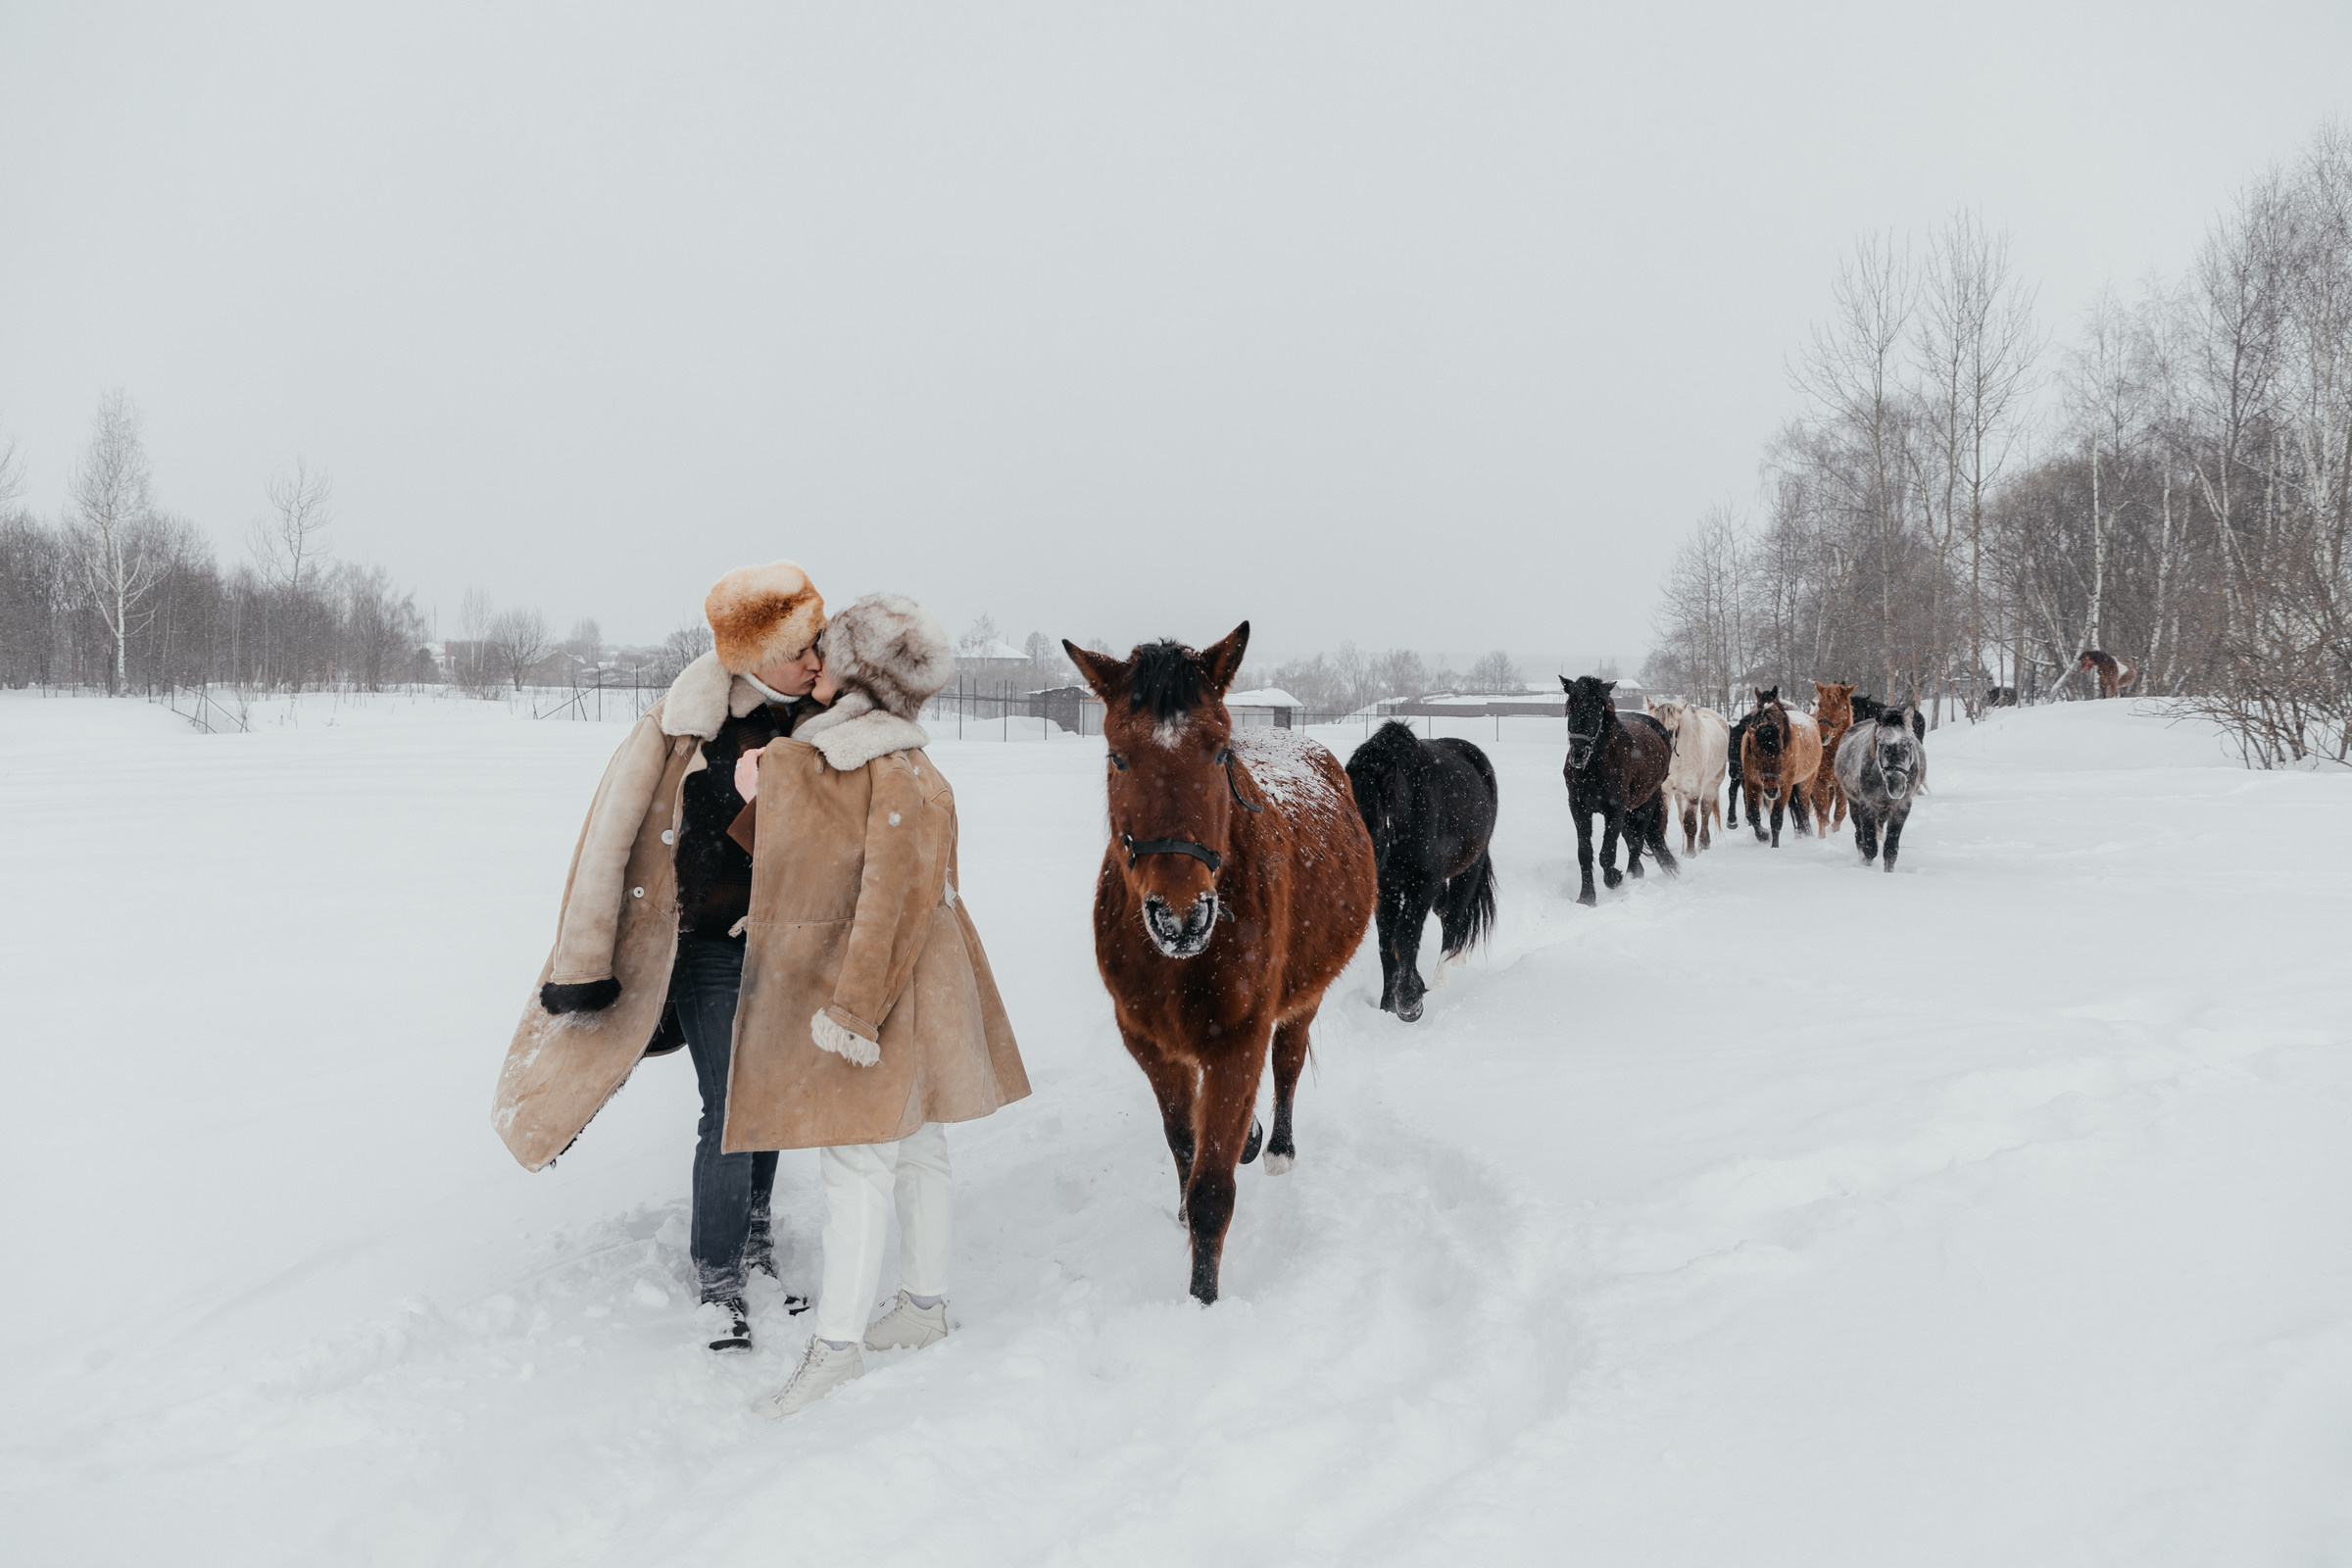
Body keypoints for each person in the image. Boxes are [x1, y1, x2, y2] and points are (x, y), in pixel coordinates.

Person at [490, 561, 828, 1352]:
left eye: (820, 643)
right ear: (755, 655)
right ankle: (718, 1276)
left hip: (783, 944)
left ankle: (753, 1241)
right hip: (704, 948)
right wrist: (583, 964)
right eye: (803, 647)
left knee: (766, 1097)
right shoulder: (682, 727)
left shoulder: (815, 723)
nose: (818, 660)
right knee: (733, 1104)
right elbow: (605, 845)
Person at [716, 593, 1030, 1420]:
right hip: (919, 984)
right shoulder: (903, 760)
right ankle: (922, 1309)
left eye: (829, 650)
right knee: (920, 1146)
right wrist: (771, 788)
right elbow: (819, 856)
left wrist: (852, 1011)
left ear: (858, 671)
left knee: (857, 1162)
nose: (813, 662)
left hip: (883, 987)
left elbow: (889, 895)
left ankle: (837, 1351)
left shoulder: (876, 762)